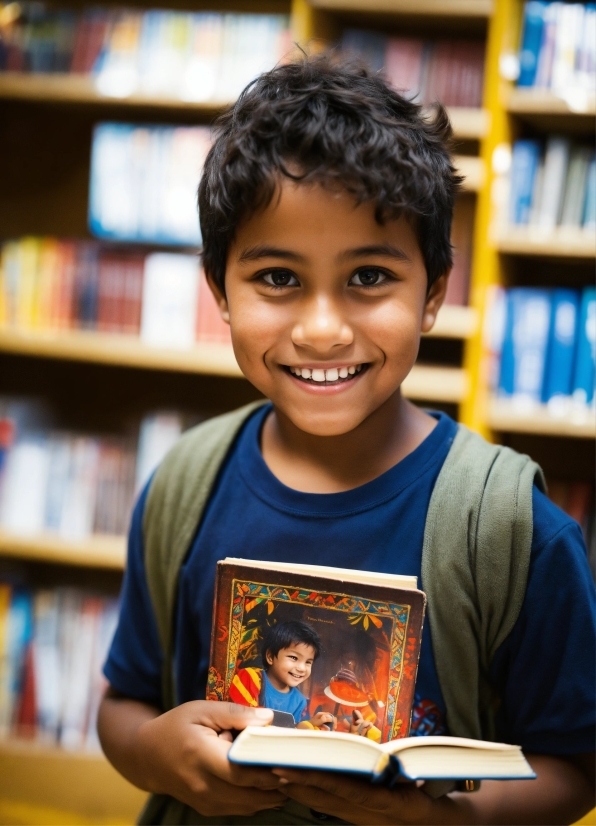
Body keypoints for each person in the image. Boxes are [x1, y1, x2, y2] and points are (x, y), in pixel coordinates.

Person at [97, 54, 595, 825]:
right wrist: (155, 753)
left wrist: (446, 821)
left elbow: (574, 767)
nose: (323, 330)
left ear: (432, 293)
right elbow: (122, 704)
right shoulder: (184, 484)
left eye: (368, 277)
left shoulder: (510, 530)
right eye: (277, 278)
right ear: (218, 291)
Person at [229, 620, 336, 730]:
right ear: (270, 657)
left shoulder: (300, 701)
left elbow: (294, 732)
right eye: (294, 658)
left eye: (308, 662)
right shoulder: (251, 678)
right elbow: (243, 718)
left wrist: (311, 725)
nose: (302, 668)